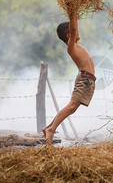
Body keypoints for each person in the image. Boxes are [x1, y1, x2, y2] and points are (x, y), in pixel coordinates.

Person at [42, 16, 96, 145]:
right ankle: (51, 129)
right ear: (69, 36)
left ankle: (48, 127)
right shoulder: (71, 47)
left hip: (88, 81)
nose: (78, 32)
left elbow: (73, 28)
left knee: (73, 107)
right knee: (71, 107)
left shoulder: (76, 46)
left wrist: (75, 14)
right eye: (76, 32)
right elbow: (73, 29)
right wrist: (72, 14)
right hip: (84, 80)